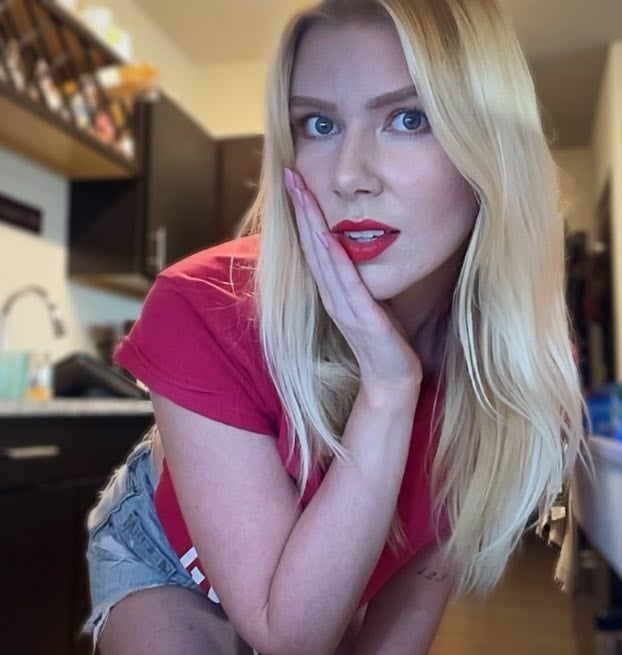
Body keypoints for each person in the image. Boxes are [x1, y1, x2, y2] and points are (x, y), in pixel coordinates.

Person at [84, 0, 585, 653]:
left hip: (333, 568)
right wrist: (388, 387)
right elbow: (288, 634)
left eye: (409, 118)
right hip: (166, 551)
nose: (349, 176)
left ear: (491, 146)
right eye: (318, 124)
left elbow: (424, 565)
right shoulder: (203, 305)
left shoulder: (521, 366)